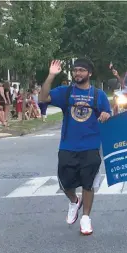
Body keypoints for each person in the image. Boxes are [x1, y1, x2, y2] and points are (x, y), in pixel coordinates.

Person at [39, 58, 111, 235]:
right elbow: (43, 97)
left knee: (88, 184)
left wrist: (105, 114)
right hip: (68, 145)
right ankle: (74, 201)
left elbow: (107, 112)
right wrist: (51, 75)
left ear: (89, 73)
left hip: (91, 145)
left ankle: (86, 218)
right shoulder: (65, 92)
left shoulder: (98, 95)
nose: (77, 73)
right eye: (75, 70)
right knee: (65, 183)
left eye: (82, 70)